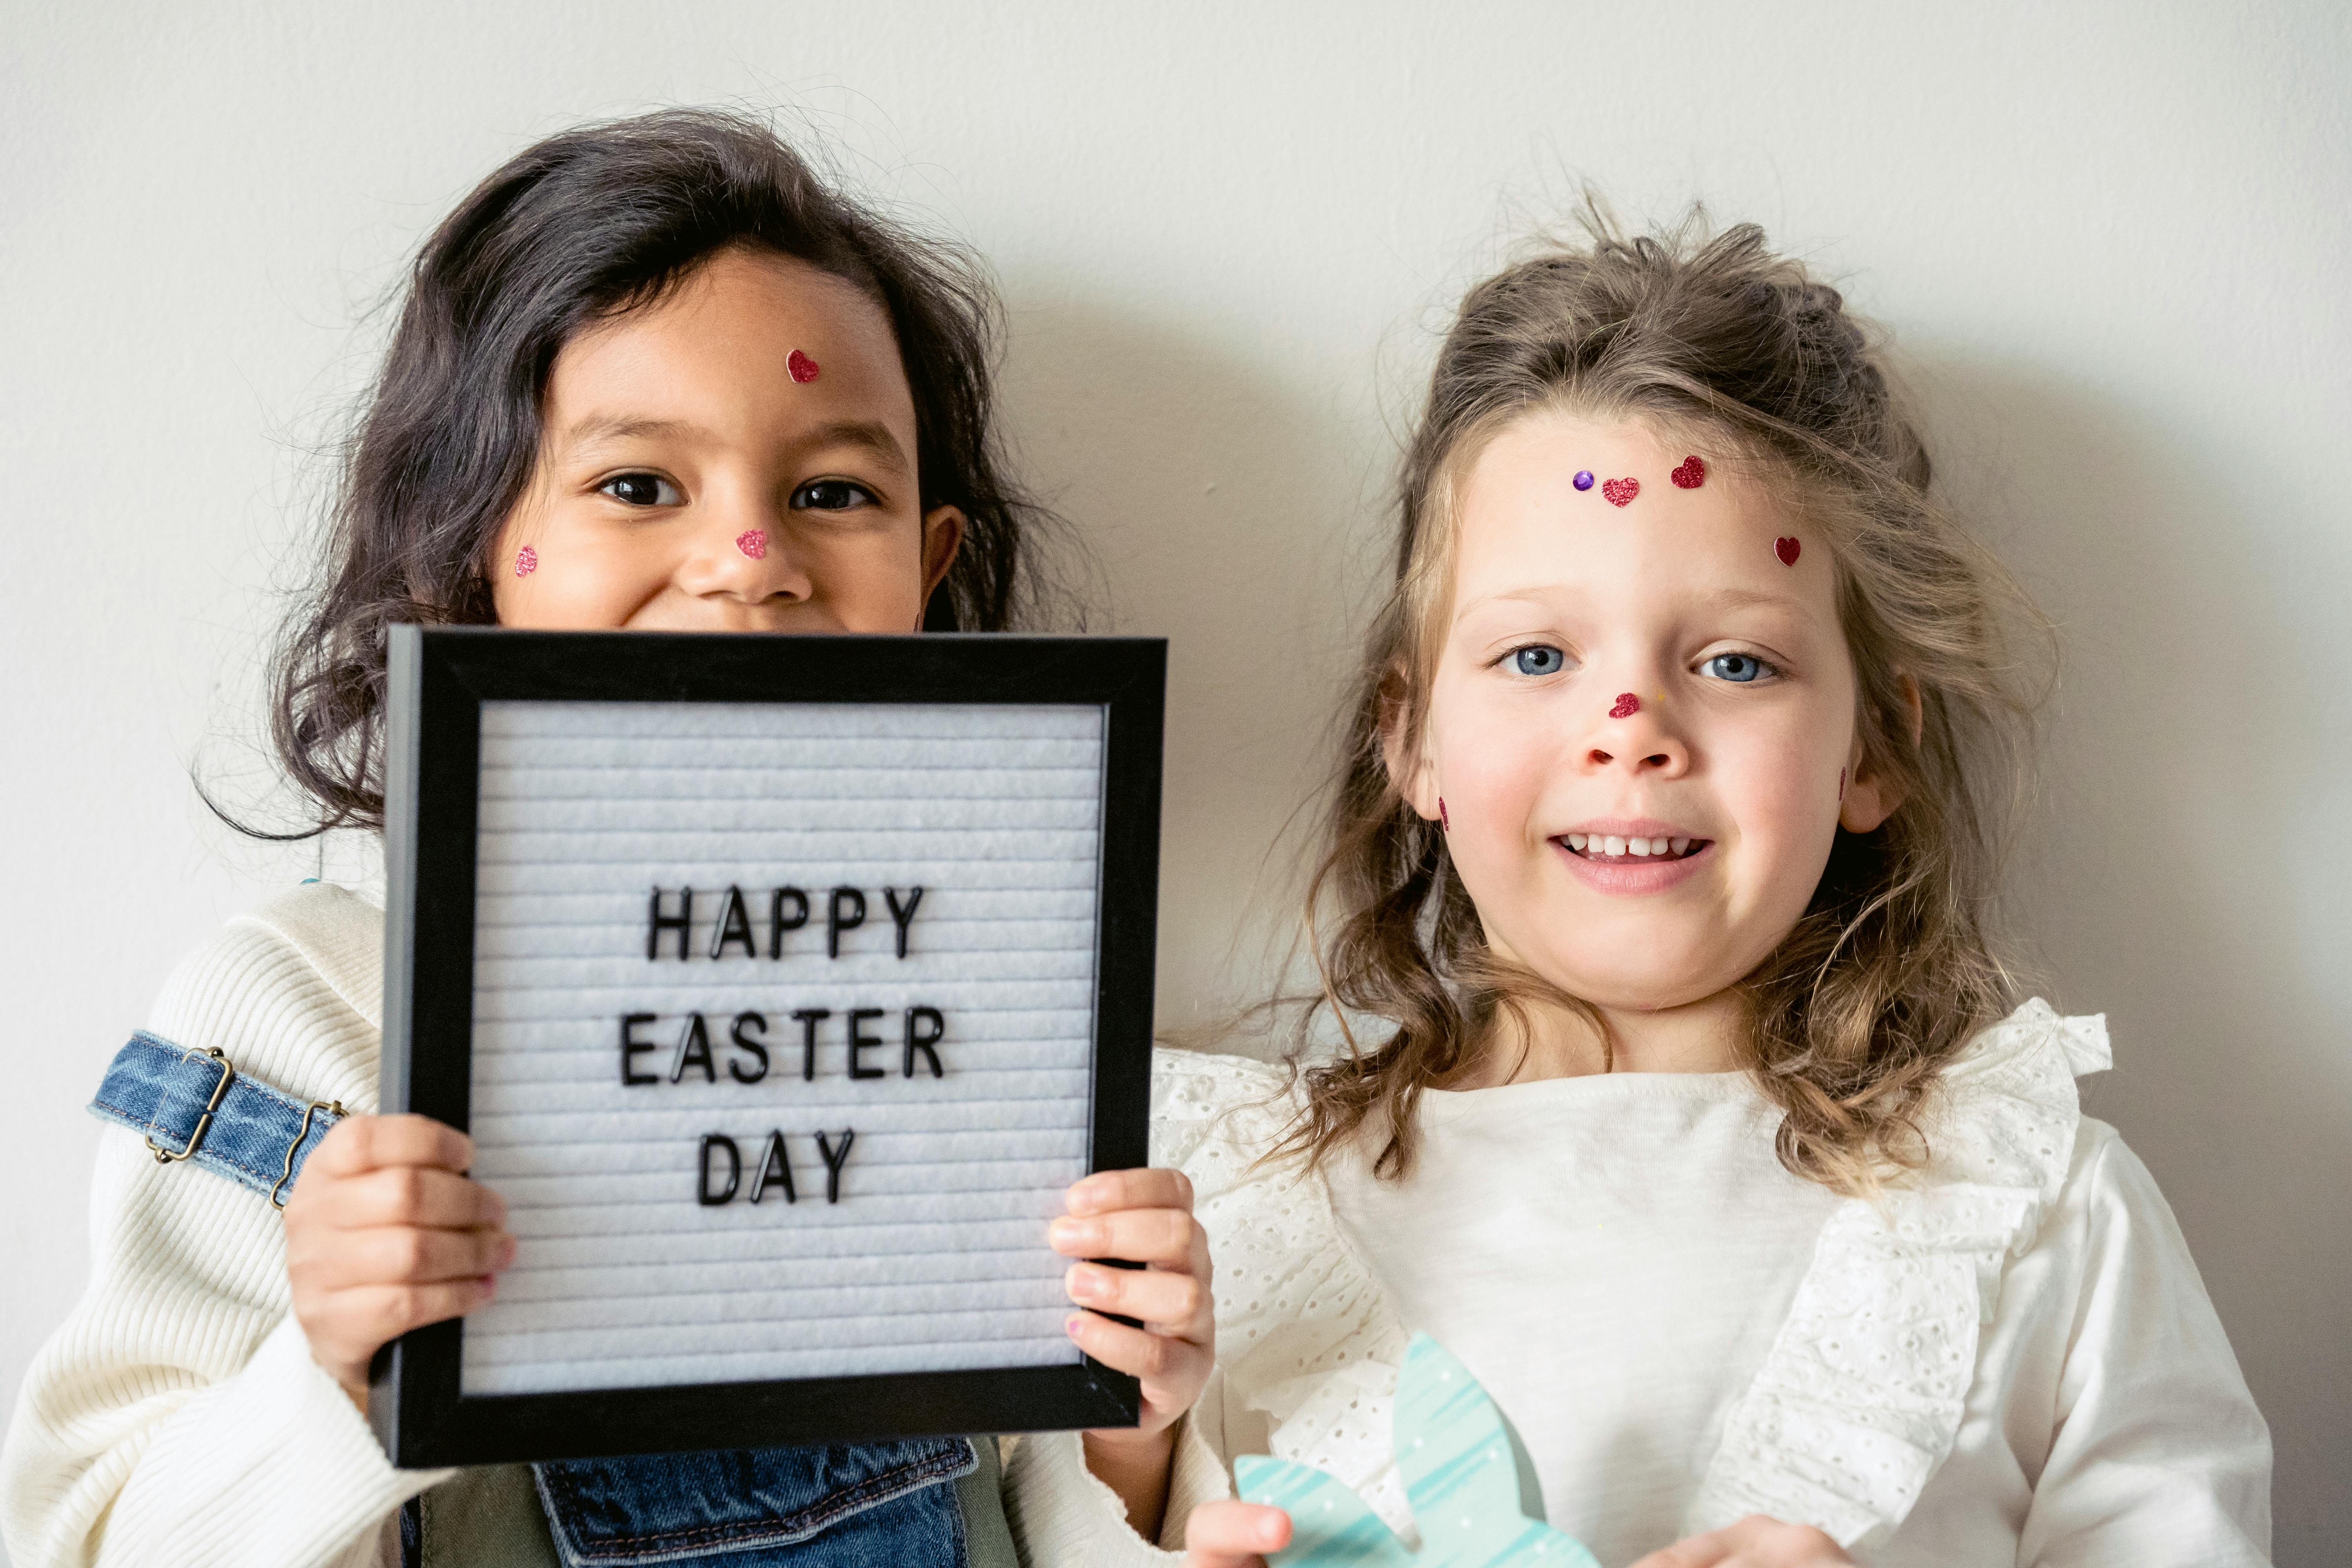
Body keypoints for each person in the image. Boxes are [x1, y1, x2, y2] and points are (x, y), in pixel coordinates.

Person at [0, 108, 1214, 1568]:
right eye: (638, 486)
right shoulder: (294, 1010)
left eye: (835, 493)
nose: (752, 564)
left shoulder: (997, 993)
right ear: (469, 548)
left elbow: (1054, 1518)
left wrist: (1132, 1432)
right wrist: (331, 1381)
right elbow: (80, 1539)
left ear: (928, 569)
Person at [1001, 218, 2272, 1566]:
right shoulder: (1204, 1218)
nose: (1631, 726)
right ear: (1412, 738)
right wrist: (1134, 1464)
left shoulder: (2033, 1207)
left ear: (1875, 748)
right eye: (1539, 653)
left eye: (1735, 663)